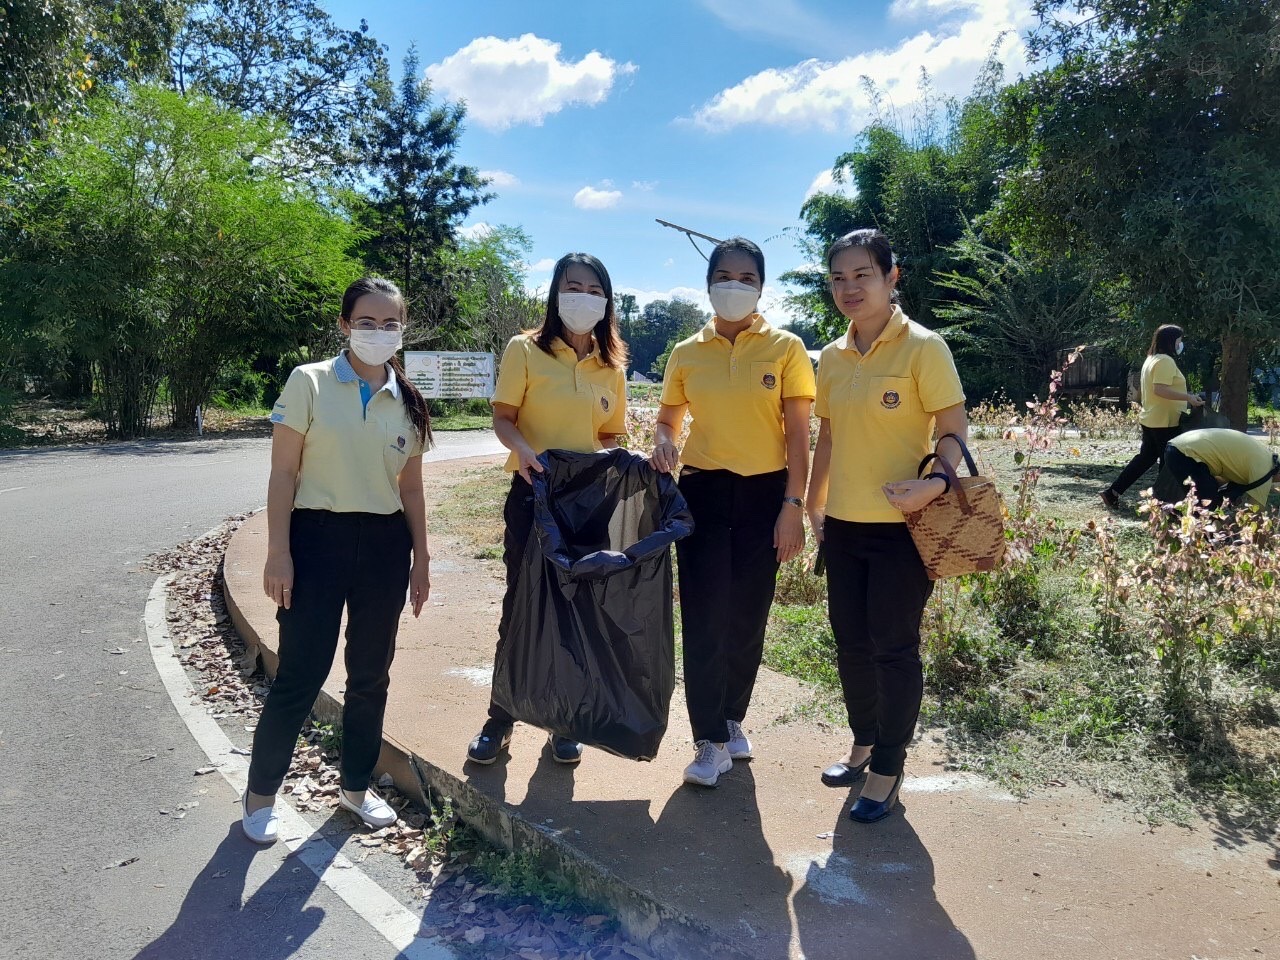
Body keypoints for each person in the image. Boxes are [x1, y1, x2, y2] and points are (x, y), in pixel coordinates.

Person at [243, 277, 433, 845]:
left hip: (384, 547)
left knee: (371, 675)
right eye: (366, 322)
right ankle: (260, 796)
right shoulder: (309, 381)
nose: (379, 332)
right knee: (301, 674)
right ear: (345, 325)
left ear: (403, 330)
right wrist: (278, 552)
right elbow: (283, 473)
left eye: (390, 323)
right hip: (316, 541)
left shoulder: (408, 399)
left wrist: (422, 558)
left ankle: (354, 787)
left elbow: (412, 489)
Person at [805, 229, 968, 824]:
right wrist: (814, 503)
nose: (849, 288)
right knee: (851, 643)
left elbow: (952, 428)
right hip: (843, 526)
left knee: (893, 648)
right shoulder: (831, 356)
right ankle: (864, 743)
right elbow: (828, 437)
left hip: (904, 528)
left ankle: (888, 768)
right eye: (838, 278)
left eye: (862, 275)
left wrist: (936, 482)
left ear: (891, 277)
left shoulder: (924, 347)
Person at [650, 237, 816, 788]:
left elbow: (798, 437)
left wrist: (792, 506)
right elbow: (668, 419)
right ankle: (708, 740)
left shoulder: (787, 348)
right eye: (725, 276)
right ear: (708, 284)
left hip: (766, 495)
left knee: (747, 615)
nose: (735, 286)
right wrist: (664, 440)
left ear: (762, 288)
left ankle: (731, 719)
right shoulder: (686, 352)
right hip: (702, 491)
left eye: (747, 278)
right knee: (703, 616)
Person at [466, 253, 629, 766]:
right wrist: (524, 452)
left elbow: (609, 436)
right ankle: (500, 719)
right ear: (557, 294)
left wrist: (624, 464)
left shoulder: (612, 366)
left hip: (587, 506)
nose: (583, 297)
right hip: (532, 498)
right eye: (573, 287)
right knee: (521, 607)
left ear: (606, 301)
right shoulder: (525, 349)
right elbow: (504, 418)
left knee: (575, 612)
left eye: (594, 290)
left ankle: (565, 721)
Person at [1101, 324, 1203, 508]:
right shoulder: (1165, 361)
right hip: (1165, 421)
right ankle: (1163, 503)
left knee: (1145, 459)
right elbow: (1160, 389)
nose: (1180, 344)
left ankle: (1112, 492)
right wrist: (1188, 397)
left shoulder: (1151, 359)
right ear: (1171, 341)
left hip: (1152, 418)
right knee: (1168, 463)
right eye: (1179, 340)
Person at [1158, 428, 1280, 510]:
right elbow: (1255, 511)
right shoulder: (1264, 472)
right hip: (1185, 454)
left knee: (1208, 495)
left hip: (1180, 447)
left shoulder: (1265, 458)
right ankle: (1204, 538)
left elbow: (1220, 481)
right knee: (1207, 502)